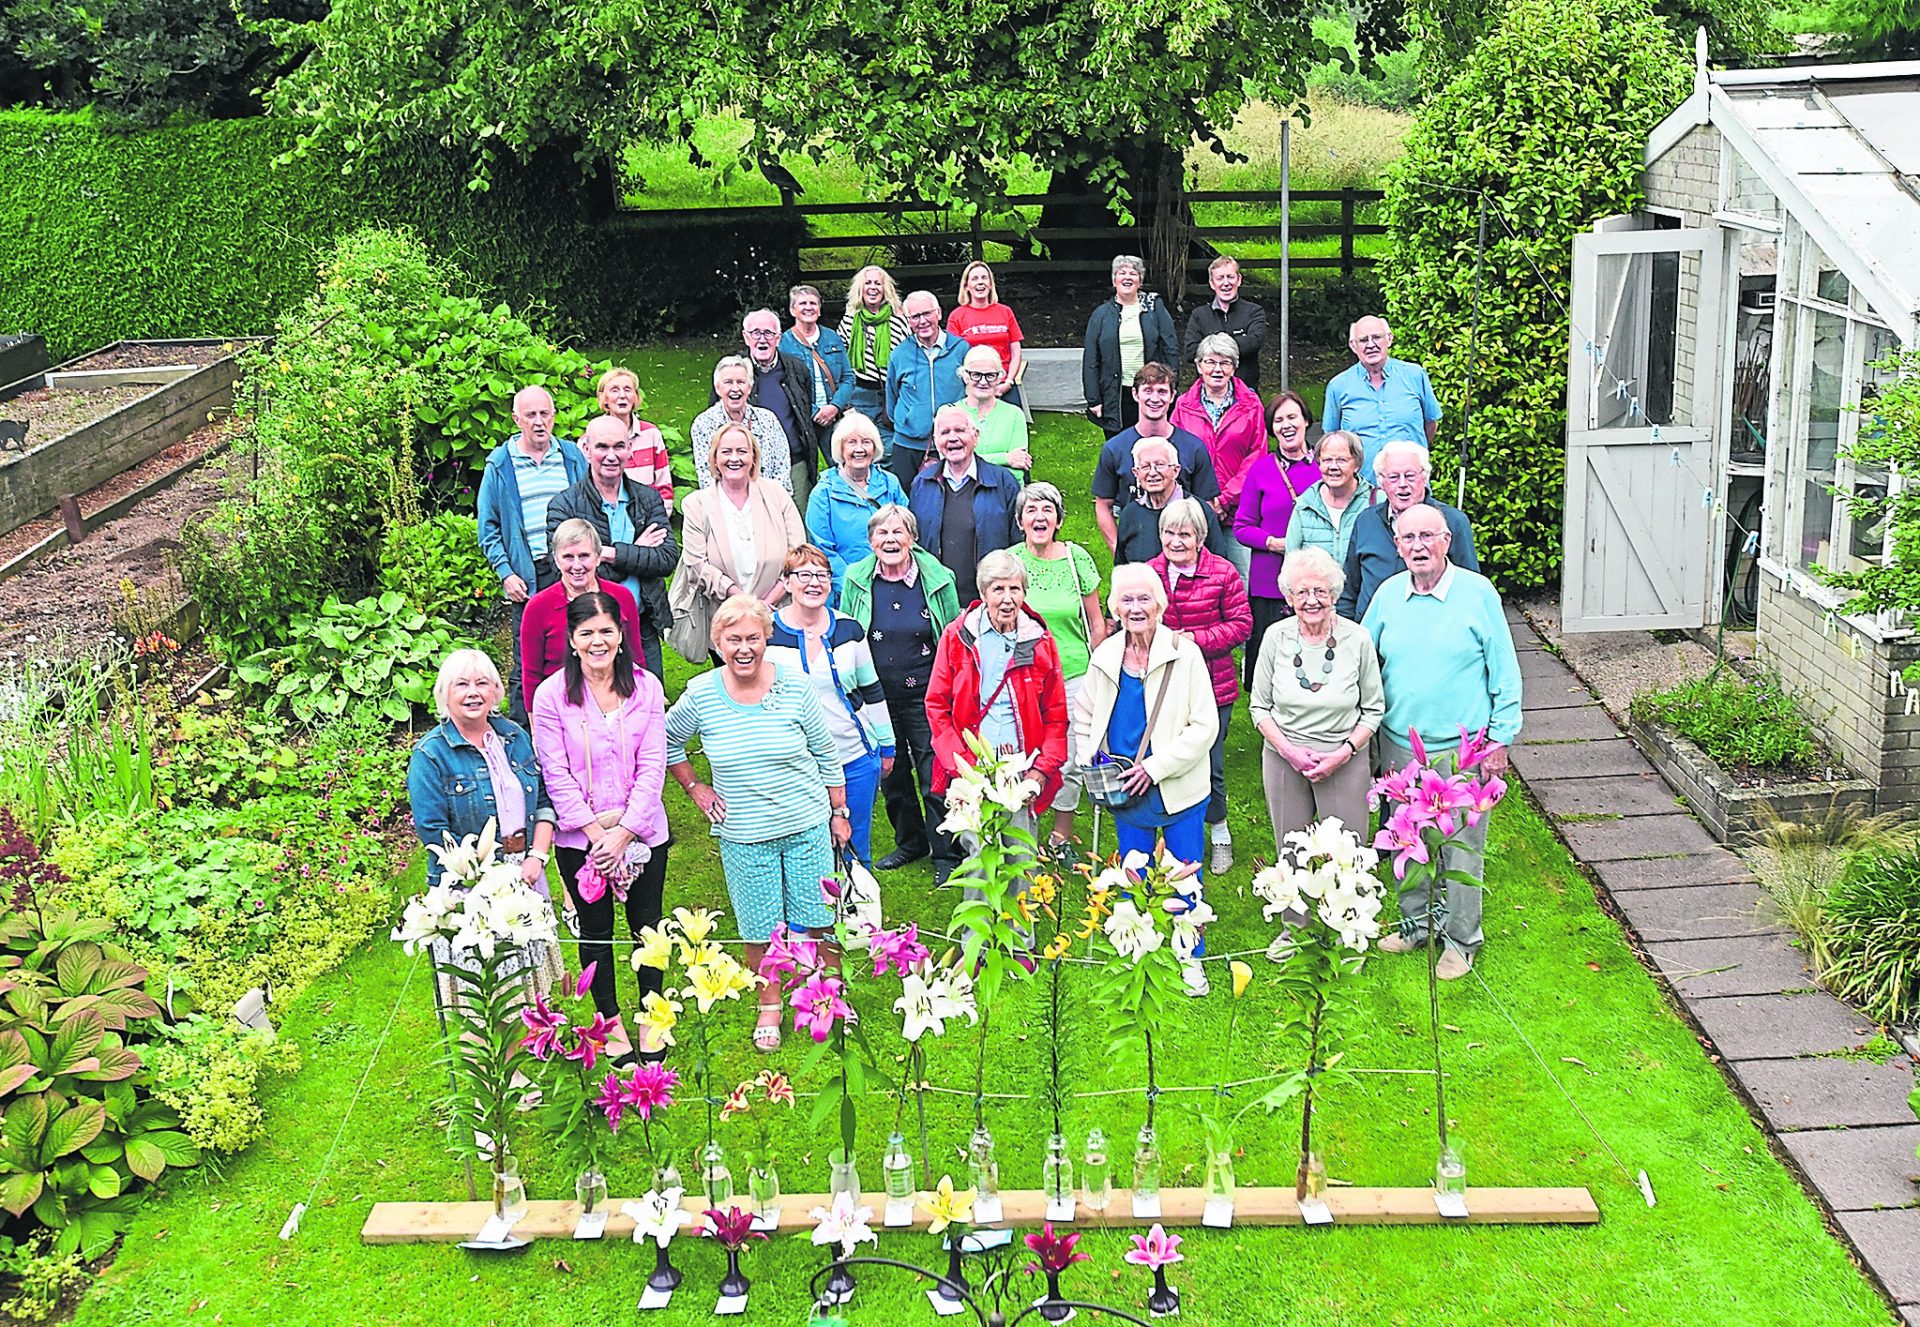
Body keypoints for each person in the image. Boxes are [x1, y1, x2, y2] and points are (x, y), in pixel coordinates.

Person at [665, 595, 851, 1050]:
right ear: (718, 643)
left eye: (753, 637)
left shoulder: (794, 684)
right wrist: (695, 787)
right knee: (759, 925)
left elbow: (825, 751)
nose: (744, 648)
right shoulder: (702, 694)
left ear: (767, 638)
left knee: (819, 917)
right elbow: (666, 742)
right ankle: (770, 1002)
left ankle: (830, 995)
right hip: (745, 834)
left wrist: (839, 812)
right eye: (733, 640)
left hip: (806, 822)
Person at [1364, 505, 1520, 980]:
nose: (1418, 546)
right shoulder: (1389, 596)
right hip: (1399, 745)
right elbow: (1363, 657)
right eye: (1408, 537)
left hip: (1461, 751)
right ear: (1397, 545)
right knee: (1408, 839)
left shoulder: (1477, 594)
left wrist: (1500, 739)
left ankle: (1461, 939)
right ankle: (1416, 924)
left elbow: (1505, 671)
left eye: (1427, 536)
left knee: (1461, 845)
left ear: (1447, 540)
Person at [1075, 563, 1219, 995]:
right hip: (1124, 788)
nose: (1135, 608)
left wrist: (1155, 768)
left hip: (1176, 786)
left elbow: (1204, 726)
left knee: (1183, 875)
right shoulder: (1106, 655)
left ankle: (1189, 957)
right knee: (1132, 872)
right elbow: (1084, 714)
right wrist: (1090, 761)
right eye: (1126, 600)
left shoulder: (1184, 653)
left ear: (1160, 605)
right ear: (1114, 608)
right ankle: (1134, 949)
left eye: (1144, 599)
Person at [530, 592, 672, 1026]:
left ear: (621, 635)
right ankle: (608, 1022)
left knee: (647, 927)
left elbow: (653, 764)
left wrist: (624, 834)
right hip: (580, 840)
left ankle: (653, 1017)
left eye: (606, 631)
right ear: (572, 640)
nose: (597, 641)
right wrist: (598, 839)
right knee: (596, 932)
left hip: (643, 832)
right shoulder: (551, 696)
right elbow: (554, 774)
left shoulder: (647, 687)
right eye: (586, 632)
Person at [1249, 546, 1382, 959]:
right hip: (1284, 756)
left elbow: (1373, 708)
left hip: (1343, 757)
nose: (1311, 600)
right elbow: (1259, 707)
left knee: (1348, 850)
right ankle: (1295, 927)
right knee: (1290, 846)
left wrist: (1343, 753)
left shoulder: (1357, 639)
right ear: (1288, 596)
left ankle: (1348, 930)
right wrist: (1288, 751)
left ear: (1334, 593)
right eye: (1302, 591)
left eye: (1320, 591)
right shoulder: (1275, 637)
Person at [408, 649, 561, 998]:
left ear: (495, 692)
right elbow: (433, 831)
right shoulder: (430, 755)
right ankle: (493, 1053)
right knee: (488, 995)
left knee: (534, 984)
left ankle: (535, 1049)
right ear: (445, 694)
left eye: (482, 683)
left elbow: (542, 800)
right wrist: (485, 876)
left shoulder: (513, 736)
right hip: (471, 883)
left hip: (525, 872)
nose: (473, 692)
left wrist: (537, 856)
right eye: (461, 684)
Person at [925, 550, 1069, 890]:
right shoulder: (958, 637)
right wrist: (961, 766)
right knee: (978, 861)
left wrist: (1040, 771)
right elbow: (937, 706)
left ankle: (1020, 942)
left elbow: (1056, 714)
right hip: (973, 768)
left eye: (1015, 589)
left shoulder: (1040, 641)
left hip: (1021, 769)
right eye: (998, 590)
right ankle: (977, 940)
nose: (1007, 599)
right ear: (983, 593)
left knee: (1021, 860)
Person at [839, 505, 962, 879]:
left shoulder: (939, 579)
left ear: (912, 538)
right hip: (877, 696)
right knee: (892, 773)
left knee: (935, 773)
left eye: (898, 533)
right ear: (871, 540)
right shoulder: (856, 578)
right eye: (882, 534)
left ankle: (947, 853)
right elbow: (846, 632)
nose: (890, 540)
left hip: (928, 694)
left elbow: (954, 637)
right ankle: (910, 842)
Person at [767, 546, 896, 868]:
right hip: (793, 765)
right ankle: (804, 918)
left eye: (822, 575)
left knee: (854, 847)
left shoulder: (849, 628)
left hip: (852, 757)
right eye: (804, 575)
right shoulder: (766, 632)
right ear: (786, 582)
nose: (814, 583)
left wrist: (887, 745)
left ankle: (858, 916)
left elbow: (871, 688)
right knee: (803, 852)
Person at [1150, 498, 1252, 875]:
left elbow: (1242, 625)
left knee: (1209, 763)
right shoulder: (1149, 573)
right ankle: (1171, 836)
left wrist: (1192, 639)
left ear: (1201, 537)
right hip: (1159, 686)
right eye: (1168, 533)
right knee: (1164, 757)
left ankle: (1220, 833)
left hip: (1213, 684)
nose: (1176, 541)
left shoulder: (1222, 573)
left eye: (1184, 534)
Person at [477, 385, 588, 724]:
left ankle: (578, 723)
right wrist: (505, 573)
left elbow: (590, 512)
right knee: (528, 660)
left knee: (581, 646)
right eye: (531, 416)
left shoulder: (571, 457)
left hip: (573, 571)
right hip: (528, 575)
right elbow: (488, 528)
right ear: (516, 419)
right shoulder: (500, 465)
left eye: (545, 414)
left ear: (554, 416)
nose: (539, 422)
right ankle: (523, 738)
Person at [1009, 483, 1107, 860]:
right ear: (1020, 521)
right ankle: (1022, 833)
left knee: (1070, 759)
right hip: (1022, 677)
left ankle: (1061, 838)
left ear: (1059, 519)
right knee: (1022, 757)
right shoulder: (1009, 561)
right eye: (1031, 510)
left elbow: (1096, 624)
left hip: (1074, 674)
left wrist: (1100, 673)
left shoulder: (1076, 559)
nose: (1039, 517)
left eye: (1047, 510)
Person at [543, 416, 678, 679]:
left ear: (629, 449)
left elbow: (666, 558)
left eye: (619, 447)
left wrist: (609, 553)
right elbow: (564, 567)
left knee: (648, 709)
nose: (611, 456)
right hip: (589, 631)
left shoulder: (648, 498)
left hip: (642, 625)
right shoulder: (565, 506)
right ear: (586, 449)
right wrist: (637, 552)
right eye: (602, 447)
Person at [673, 425, 806, 654]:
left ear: (753, 457)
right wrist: (742, 602)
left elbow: (798, 555)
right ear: (715, 459)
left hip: (777, 613)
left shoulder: (777, 494)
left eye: (742, 451)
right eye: (726, 452)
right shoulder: (697, 504)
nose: (734, 458)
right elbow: (696, 564)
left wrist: (767, 604)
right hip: (723, 616)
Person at [1234, 391, 1322, 689]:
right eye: (1279, 420)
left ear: (1306, 421)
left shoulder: (1325, 468)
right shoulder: (1261, 470)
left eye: (1292, 417)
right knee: (1271, 661)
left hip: (1315, 578)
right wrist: (1273, 543)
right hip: (1271, 580)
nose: (1286, 425)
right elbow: (1242, 526)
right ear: (1271, 428)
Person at [1337, 438, 1478, 622]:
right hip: (1372, 633)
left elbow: (1471, 588)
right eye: (1394, 477)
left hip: (1430, 630)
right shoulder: (1366, 521)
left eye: (1410, 476)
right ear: (1381, 482)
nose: (1402, 484)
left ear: (1424, 478)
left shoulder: (1452, 522)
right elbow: (1349, 590)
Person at [1091, 363, 1220, 553]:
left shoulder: (1193, 448)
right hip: (1138, 550)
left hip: (1183, 552)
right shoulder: (1115, 449)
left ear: (1172, 396)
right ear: (1135, 394)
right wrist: (1119, 551)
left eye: (1162, 391)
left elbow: (1206, 506)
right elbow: (1103, 504)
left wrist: (1196, 553)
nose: (1155, 398)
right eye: (1148, 390)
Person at [519, 518, 644, 715]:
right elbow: (531, 674)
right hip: (562, 709)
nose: (577, 566)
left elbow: (636, 659)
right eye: (568, 557)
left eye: (584, 556)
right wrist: (536, 726)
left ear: (598, 556)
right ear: (556, 559)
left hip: (618, 704)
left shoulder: (621, 597)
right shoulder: (538, 607)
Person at [1171, 333, 1266, 581]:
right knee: (1192, 579)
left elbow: (1257, 455)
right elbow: (1175, 455)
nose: (1217, 369)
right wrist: (1204, 502)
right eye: (1210, 362)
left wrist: (1223, 500)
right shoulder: (1183, 405)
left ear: (1234, 367)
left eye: (1225, 362)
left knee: (1238, 579)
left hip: (1237, 510)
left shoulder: (1251, 404)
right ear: (1199, 365)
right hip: (1193, 510)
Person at [907, 404, 1021, 608]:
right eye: (945, 432)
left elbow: (1019, 544)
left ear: (975, 436)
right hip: (938, 601)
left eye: (960, 430)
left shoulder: (1004, 482)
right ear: (936, 442)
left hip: (991, 601)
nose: (952, 438)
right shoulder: (922, 484)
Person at [1323, 315, 1441, 482]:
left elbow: (1430, 423)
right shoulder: (1338, 386)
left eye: (1376, 337)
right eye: (1363, 340)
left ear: (1389, 339)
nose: (1371, 345)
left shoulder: (1415, 376)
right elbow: (1332, 439)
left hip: (1411, 486)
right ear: (1353, 345)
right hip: (1362, 489)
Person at [806, 411, 907, 595]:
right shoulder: (823, 493)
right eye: (851, 442)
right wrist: (853, 585)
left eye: (866, 442)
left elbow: (907, 534)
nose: (859, 449)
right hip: (845, 590)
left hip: (893, 583)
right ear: (841, 449)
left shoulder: (890, 483)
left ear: (875, 447)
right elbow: (822, 549)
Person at [1083, 255, 1179, 437]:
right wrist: (1093, 399)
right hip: (1115, 394)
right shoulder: (1101, 314)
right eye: (1122, 273)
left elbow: (1170, 348)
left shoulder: (1154, 308)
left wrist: (1171, 387)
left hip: (1150, 392)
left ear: (1140, 281)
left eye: (1133, 273)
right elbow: (1091, 360)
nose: (1127, 277)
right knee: (1119, 450)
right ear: (1114, 280)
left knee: (1152, 447)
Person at [885, 290, 971, 487]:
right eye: (915, 317)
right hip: (908, 443)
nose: (922, 321)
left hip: (952, 440)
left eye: (927, 314)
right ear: (908, 321)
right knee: (906, 500)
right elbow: (892, 397)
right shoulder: (899, 354)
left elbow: (971, 392)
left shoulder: (961, 349)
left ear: (939, 313)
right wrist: (910, 418)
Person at [740, 309, 821, 511]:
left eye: (768, 333)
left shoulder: (797, 369)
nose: (762, 339)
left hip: (795, 464)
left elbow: (804, 412)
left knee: (797, 525)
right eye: (755, 333)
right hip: (750, 467)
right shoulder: (734, 372)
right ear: (745, 337)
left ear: (778, 338)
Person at [1114, 436, 1230, 566]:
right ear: (1136, 473)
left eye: (1160, 465)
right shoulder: (1130, 514)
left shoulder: (1199, 511)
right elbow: (1122, 567)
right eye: (1145, 467)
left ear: (1175, 471)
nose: (1152, 473)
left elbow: (1219, 564)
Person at [690, 356, 791, 493]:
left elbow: (782, 469)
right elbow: (706, 476)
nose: (735, 388)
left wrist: (770, 501)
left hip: (768, 501)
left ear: (749, 387)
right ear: (718, 388)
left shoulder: (768, 420)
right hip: (724, 506)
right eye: (728, 382)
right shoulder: (703, 424)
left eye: (741, 382)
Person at [839, 264, 909, 452]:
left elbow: (908, 357)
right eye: (867, 283)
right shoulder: (850, 319)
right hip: (860, 393)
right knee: (862, 445)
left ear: (885, 288)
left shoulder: (899, 319)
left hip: (891, 393)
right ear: (860, 288)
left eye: (877, 283)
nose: (872, 287)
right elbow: (840, 360)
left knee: (889, 449)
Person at [781, 285, 855, 460]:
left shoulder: (832, 337)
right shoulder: (784, 342)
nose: (809, 307)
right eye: (803, 303)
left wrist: (834, 406)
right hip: (803, 419)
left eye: (813, 303)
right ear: (793, 310)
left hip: (834, 416)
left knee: (842, 464)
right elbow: (787, 386)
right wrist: (814, 412)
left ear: (819, 309)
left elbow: (848, 378)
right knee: (805, 472)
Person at [1284, 429, 1375, 567]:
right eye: (1327, 460)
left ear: (1357, 464)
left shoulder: (1375, 501)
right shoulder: (1305, 505)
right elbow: (1290, 564)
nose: (1333, 467)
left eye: (1341, 460)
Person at [946, 260, 1025, 408]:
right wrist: (973, 384)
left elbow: (1016, 351)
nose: (980, 282)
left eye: (984, 277)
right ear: (966, 286)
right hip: (973, 385)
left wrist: (1009, 381)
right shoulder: (957, 316)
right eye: (974, 279)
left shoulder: (1005, 312)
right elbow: (953, 356)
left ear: (990, 284)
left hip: (1003, 382)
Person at [1182, 256, 1269, 390]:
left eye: (1230, 277)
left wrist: (1211, 346)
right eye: (1220, 278)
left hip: (1245, 391)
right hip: (1208, 392)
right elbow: (1191, 351)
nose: (1226, 283)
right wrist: (1237, 342)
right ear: (1212, 283)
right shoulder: (1199, 315)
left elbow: (1254, 342)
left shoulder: (1254, 312)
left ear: (1239, 280)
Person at [598, 367, 674, 513]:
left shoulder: (651, 434)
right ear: (604, 398)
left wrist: (659, 520)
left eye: (627, 390)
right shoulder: (591, 438)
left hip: (648, 518)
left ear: (636, 397)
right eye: (614, 390)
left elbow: (664, 485)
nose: (622, 396)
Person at [958, 344, 1031, 476]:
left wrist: (971, 459)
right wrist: (1005, 458)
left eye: (990, 375)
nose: (983, 381)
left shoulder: (1014, 414)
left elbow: (1018, 465)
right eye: (976, 375)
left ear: (999, 378)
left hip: (1007, 490)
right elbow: (952, 462)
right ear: (965, 376)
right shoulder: (949, 413)